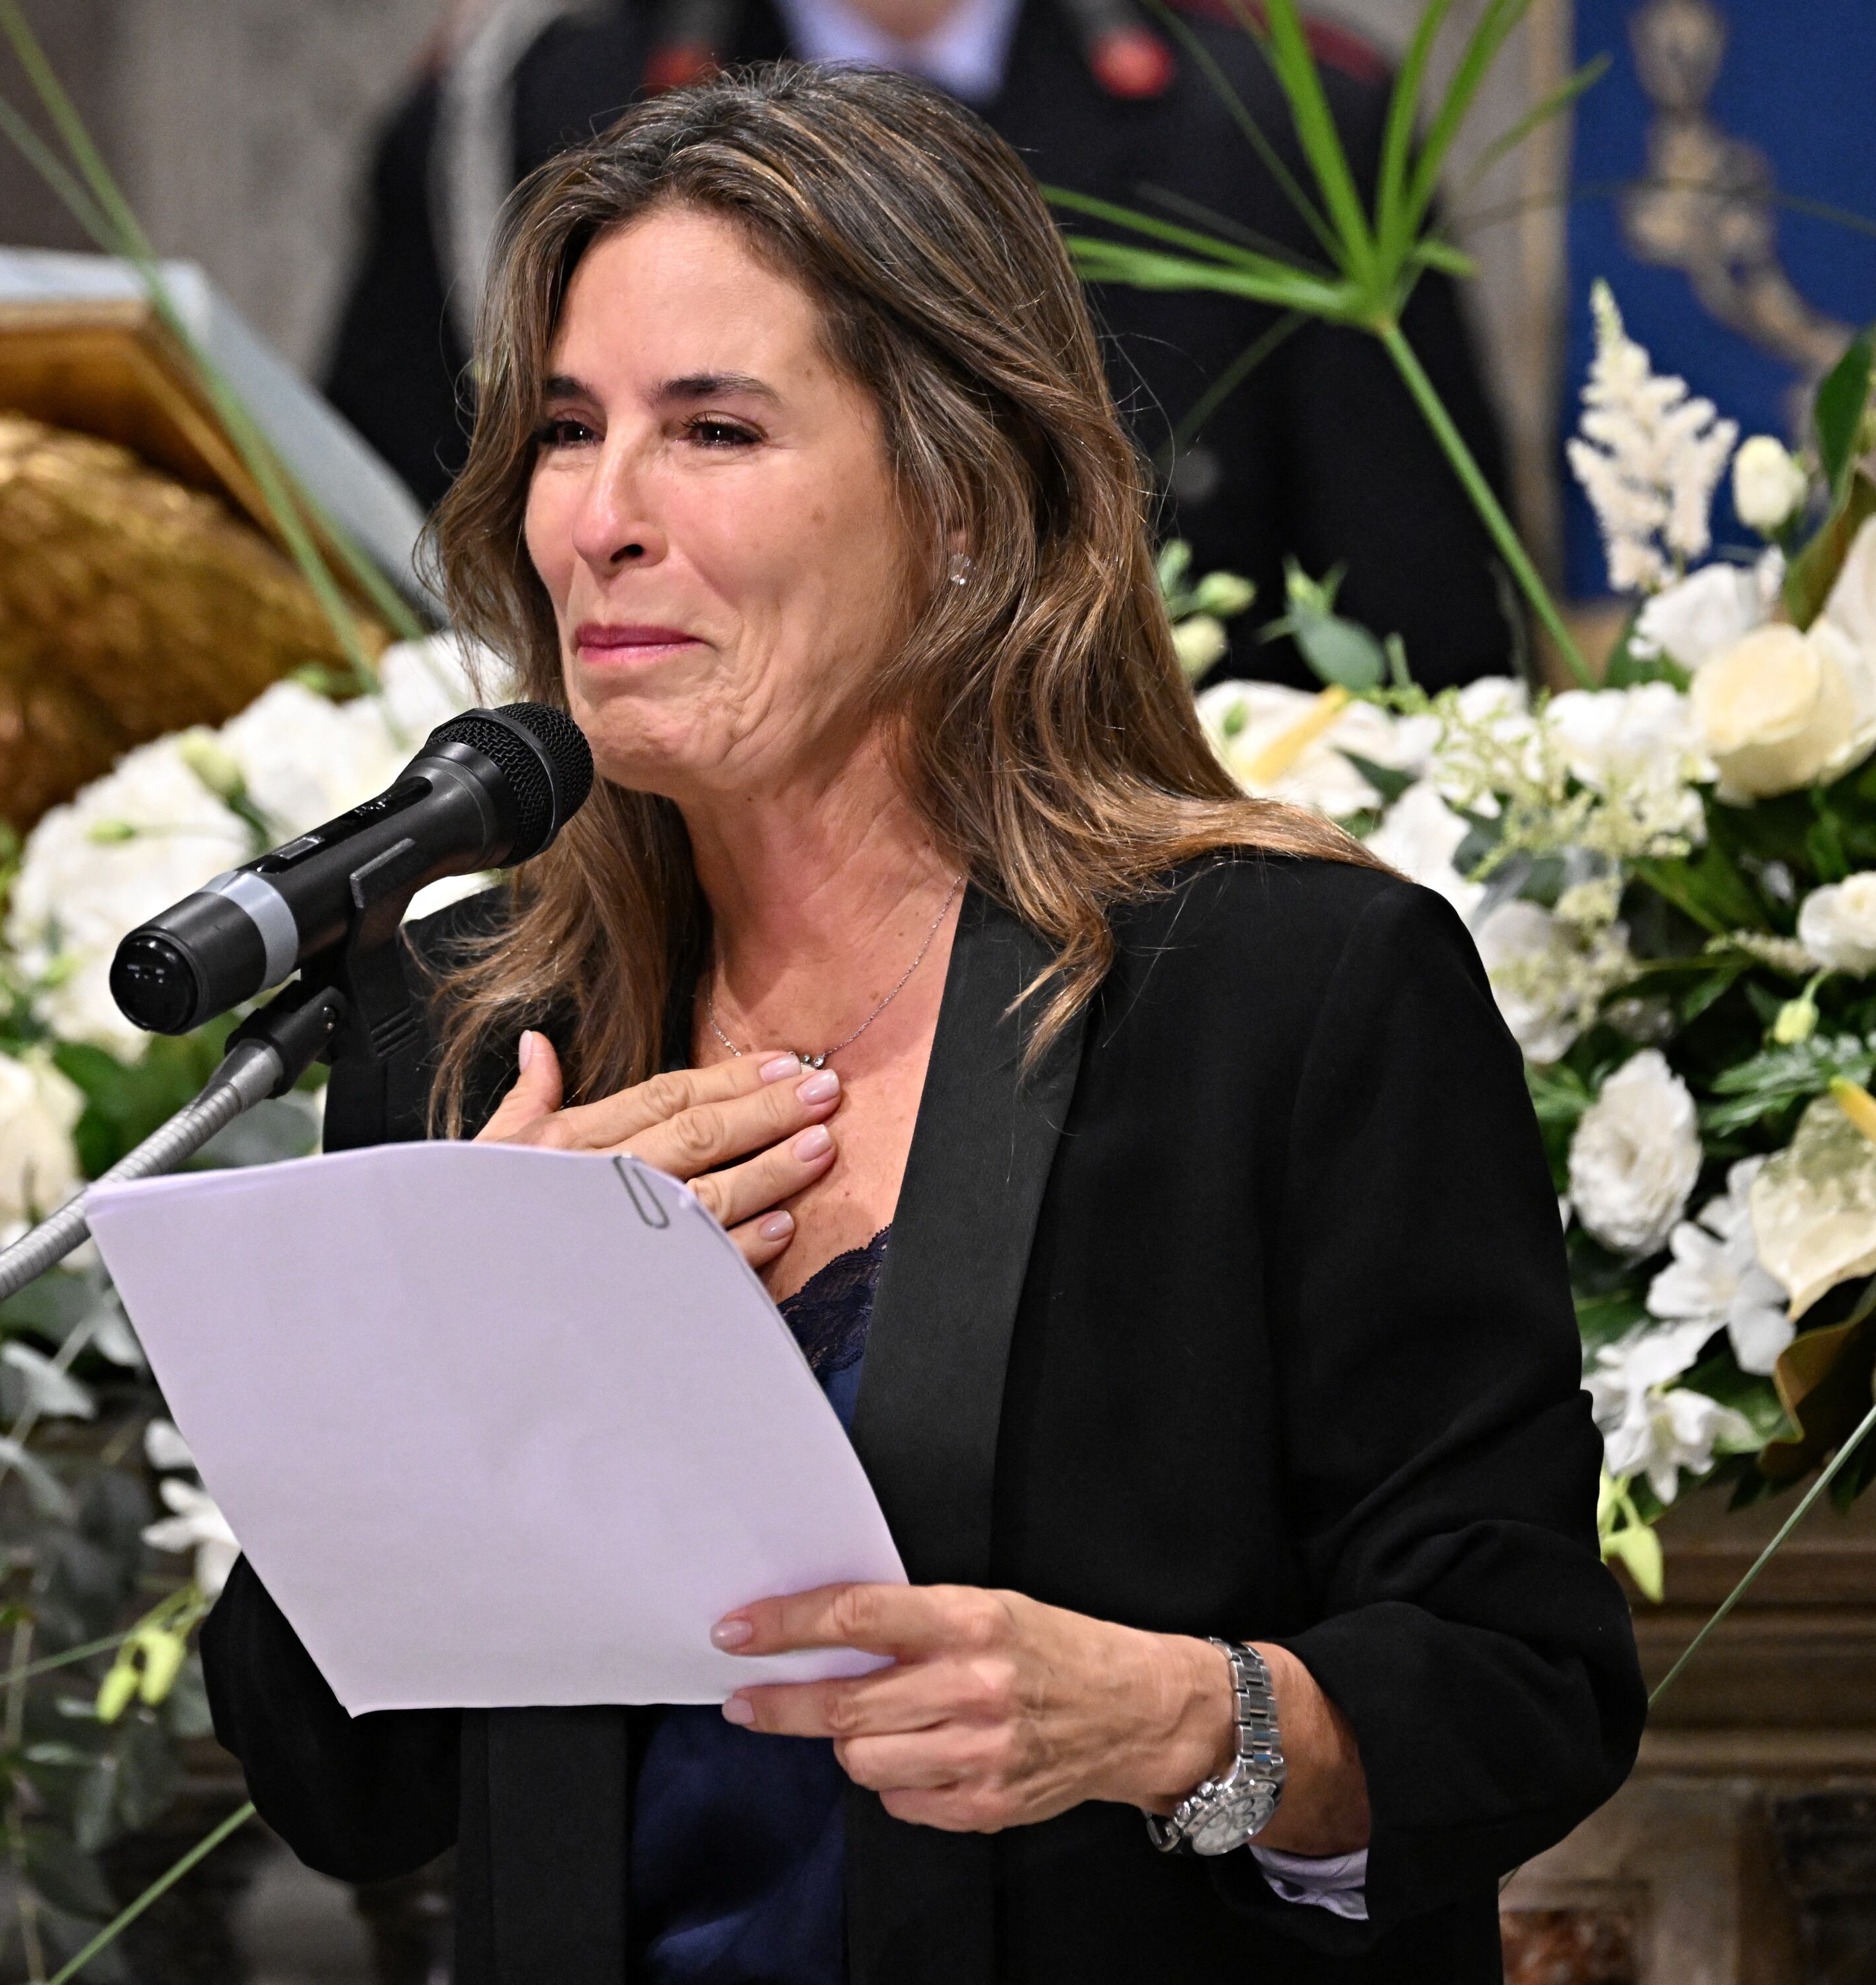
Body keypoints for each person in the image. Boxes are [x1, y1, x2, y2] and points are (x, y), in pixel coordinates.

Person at [208, 64, 1640, 1982]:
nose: (601, 520)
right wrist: (452, 1362)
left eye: (711, 428)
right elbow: (337, 1792)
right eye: (565, 431)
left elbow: (1520, 1677)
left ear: (963, 499)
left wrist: (1167, 1722)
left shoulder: (1282, 995)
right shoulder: (476, 1027)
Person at [322, 0, 1519, 689]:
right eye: (573, 432)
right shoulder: (512, 114)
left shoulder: (1281, 120)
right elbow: (378, 580)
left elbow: (1433, 639)